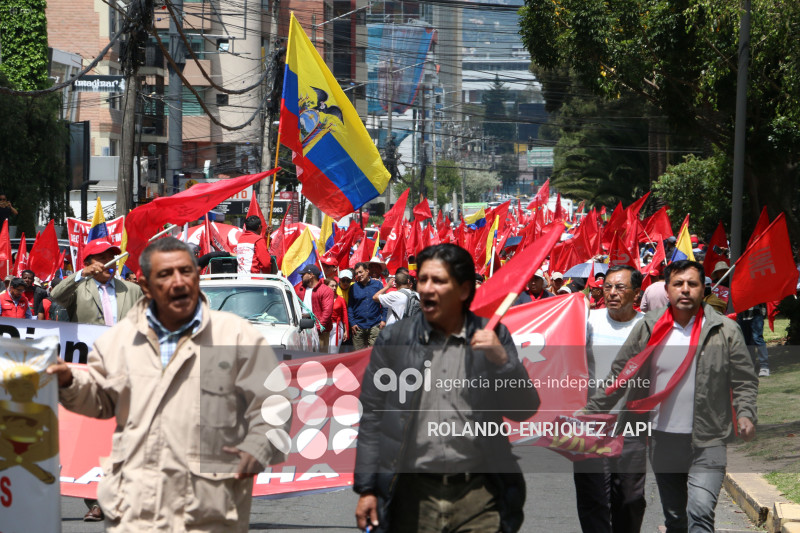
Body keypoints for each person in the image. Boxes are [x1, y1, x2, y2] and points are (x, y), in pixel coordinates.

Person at [47, 237, 289, 531]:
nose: (178, 282)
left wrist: (258, 447)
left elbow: (273, 402)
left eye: (186, 272)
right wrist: (69, 381)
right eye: (165, 274)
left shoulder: (235, 335)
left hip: (209, 513)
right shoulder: (119, 341)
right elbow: (100, 398)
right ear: (146, 287)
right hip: (136, 513)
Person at [354, 244, 540, 532]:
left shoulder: (493, 334)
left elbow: (524, 409)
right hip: (411, 497)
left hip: (480, 498)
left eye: (438, 281)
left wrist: (504, 362)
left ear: (464, 290)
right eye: (423, 280)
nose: (427, 289)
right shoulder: (395, 339)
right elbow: (372, 417)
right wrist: (367, 488)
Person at [585, 260, 758, 533]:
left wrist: (746, 413)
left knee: (699, 511)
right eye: (678, 284)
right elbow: (619, 376)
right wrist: (587, 413)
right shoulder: (649, 327)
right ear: (667, 290)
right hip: (663, 439)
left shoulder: (725, 330)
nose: (685, 290)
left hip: (708, 439)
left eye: (693, 284)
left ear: (704, 290)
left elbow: (744, 380)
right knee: (676, 518)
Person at [574, 265, 646, 533]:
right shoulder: (588, 322)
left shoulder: (647, 326)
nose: (612, 293)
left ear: (636, 294)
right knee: (593, 499)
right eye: (608, 287)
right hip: (590, 423)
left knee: (630, 498)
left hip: (631, 425)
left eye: (620, 287)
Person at [50, 240, 143, 326]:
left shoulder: (132, 290)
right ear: (87, 264)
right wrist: (82, 273)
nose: (109, 262)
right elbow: (56, 296)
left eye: (111, 257)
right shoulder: (77, 289)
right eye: (102, 258)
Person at [294, 264, 334, 351]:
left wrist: (319, 328)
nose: (301, 276)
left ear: (311, 275)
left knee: (320, 357)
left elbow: (327, 312)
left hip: (320, 331)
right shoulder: (301, 289)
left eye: (303, 274)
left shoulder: (326, 290)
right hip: (303, 328)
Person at [347, 262, 384, 349]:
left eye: (360, 272)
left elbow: (384, 303)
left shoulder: (378, 284)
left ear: (367, 271)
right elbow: (350, 307)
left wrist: (384, 319)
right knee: (358, 356)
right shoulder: (353, 288)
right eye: (356, 273)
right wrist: (352, 323)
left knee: (374, 353)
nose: (359, 275)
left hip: (375, 324)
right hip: (358, 327)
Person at [325, 277, 348, 352]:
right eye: (332, 286)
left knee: (333, 352)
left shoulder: (341, 300)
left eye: (336, 286)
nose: (334, 288)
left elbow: (345, 316)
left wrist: (346, 331)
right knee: (324, 352)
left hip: (337, 327)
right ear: (326, 286)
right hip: (324, 327)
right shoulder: (321, 298)